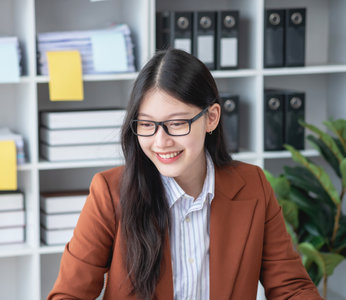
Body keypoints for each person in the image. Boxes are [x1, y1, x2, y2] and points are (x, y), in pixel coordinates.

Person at [47, 49, 322, 300]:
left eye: (177, 123)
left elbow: (291, 289)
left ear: (211, 117)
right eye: (147, 125)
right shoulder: (109, 192)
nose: (160, 141)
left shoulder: (253, 186)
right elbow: (68, 295)